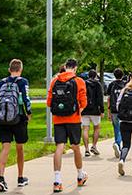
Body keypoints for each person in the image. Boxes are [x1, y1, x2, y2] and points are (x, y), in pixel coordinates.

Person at [47, 59, 88, 193]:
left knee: (59, 147)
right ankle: (80, 175)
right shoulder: (79, 81)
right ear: (75, 68)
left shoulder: (54, 81)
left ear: (65, 67)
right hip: (74, 119)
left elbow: (49, 103)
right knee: (76, 147)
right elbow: (83, 102)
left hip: (58, 120)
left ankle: (57, 181)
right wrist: (77, 112)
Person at [0, 59, 32, 192]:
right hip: (19, 118)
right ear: (20, 69)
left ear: (9, 69)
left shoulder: (1, 82)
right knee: (19, 147)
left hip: (3, 119)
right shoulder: (23, 82)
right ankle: (20, 178)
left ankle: (1, 178)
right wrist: (29, 113)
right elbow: (26, 99)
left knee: (5, 147)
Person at [82, 70, 104, 157]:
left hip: (84, 109)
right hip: (95, 110)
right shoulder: (98, 84)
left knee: (85, 129)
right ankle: (94, 146)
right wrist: (102, 110)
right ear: (95, 76)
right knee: (97, 128)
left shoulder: (84, 83)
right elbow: (100, 98)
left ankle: (86, 149)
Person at [107, 68, 125, 158]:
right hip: (123, 110)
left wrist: (108, 111)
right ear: (122, 75)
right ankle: (117, 143)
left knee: (116, 128)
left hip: (113, 110)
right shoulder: (125, 85)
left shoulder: (111, 85)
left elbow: (109, 99)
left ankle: (117, 144)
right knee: (122, 128)